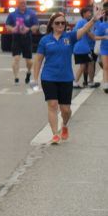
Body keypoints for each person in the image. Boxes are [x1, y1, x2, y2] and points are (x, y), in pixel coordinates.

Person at [33, 9, 96, 143]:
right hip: (48, 77)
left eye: (63, 23)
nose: (61, 25)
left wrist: (93, 20)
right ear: (52, 25)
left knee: (66, 110)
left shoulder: (70, 37)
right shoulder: (45, 40)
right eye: (57, 23)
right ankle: (55, 134)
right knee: (52, 104)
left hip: (66, 78)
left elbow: (84, 29)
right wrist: (35, 79)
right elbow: (38, 60)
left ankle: (65, 125)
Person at [5, 0, 38, 84]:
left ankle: (28, 72)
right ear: (18, 4)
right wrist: (13, 29)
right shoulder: (13, 14)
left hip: (27, 37)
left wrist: (28, 29)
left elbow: (36, 26)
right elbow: (7, 25)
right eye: (21, 3)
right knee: (16, 58)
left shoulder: (31, 13)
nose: (23, 5)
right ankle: (16, 78)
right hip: (16, 38)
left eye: (24, 3)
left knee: (29, 61)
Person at [71, 6, 98, 88]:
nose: (90, 14)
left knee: (85, 64)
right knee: (89, 63)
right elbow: (91, 36)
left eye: (90, 12)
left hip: (79, 47)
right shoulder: (84, 22)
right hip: (83, 48)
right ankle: (88, 82)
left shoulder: (81, 22)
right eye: (88, 12)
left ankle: (85, 81)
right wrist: (102, 37)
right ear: (83, 14)